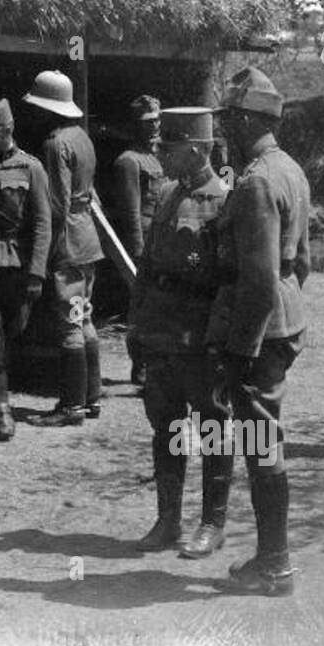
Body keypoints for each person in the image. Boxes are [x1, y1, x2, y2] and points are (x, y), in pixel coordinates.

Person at [208, 68, 310, 596]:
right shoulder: (289, 169)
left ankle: (276, 565)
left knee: (261, 443)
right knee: (263, 440)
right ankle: (273, 560)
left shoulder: (255, 182)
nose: (225, 126)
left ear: (249, 119)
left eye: (230, 117)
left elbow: (259, 278)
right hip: (283, 320)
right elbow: (302, 264)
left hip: (259, 329)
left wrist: (241, 349)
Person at [131, 108, 231, 558]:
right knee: (165, 426)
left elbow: (232, 279)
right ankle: (168, 519)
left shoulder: (225, 200)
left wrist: (222, 338)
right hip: (161, 332)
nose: (161, 156)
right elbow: (147, 268)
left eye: (168, 149)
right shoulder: (168, 194)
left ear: (195, 149)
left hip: (200, 335)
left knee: (212, 426)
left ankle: (212, 523)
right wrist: (138, 325)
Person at [21, 70, 105, 425]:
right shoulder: (82, 137)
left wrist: (39, 245)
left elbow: (58, 204)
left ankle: (72, 407)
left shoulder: (55, 144)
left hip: (68, 242)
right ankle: (92, 398)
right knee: (83, 317)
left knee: (70, 322)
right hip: (88, 240)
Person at [0, 98, 52, 441]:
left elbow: (44, 224)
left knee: (11, 334)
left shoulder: (31, 168)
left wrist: (36, 274)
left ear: (8, 131)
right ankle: (4, 411)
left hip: (17, 266)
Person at [114, 94, 166, 387]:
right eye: (148, 121)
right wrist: (136, 252)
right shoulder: (129, 162)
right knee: (141, 307)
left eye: (158, 118)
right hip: (145, 244)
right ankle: (141, 365)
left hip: (165, 241)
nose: (155, 125)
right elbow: (131, 212)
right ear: (136, 125)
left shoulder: (162, 155)